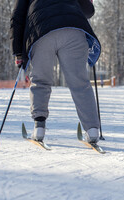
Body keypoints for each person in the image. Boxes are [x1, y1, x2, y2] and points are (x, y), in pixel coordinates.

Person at [10, 0, 101, 143]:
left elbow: (17, 17)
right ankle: (92, 130)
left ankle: (39, 128)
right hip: (73, 28)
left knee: (40, 80)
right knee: (80, 83)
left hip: (41, 30)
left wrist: (18, 52)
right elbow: (88, 11)